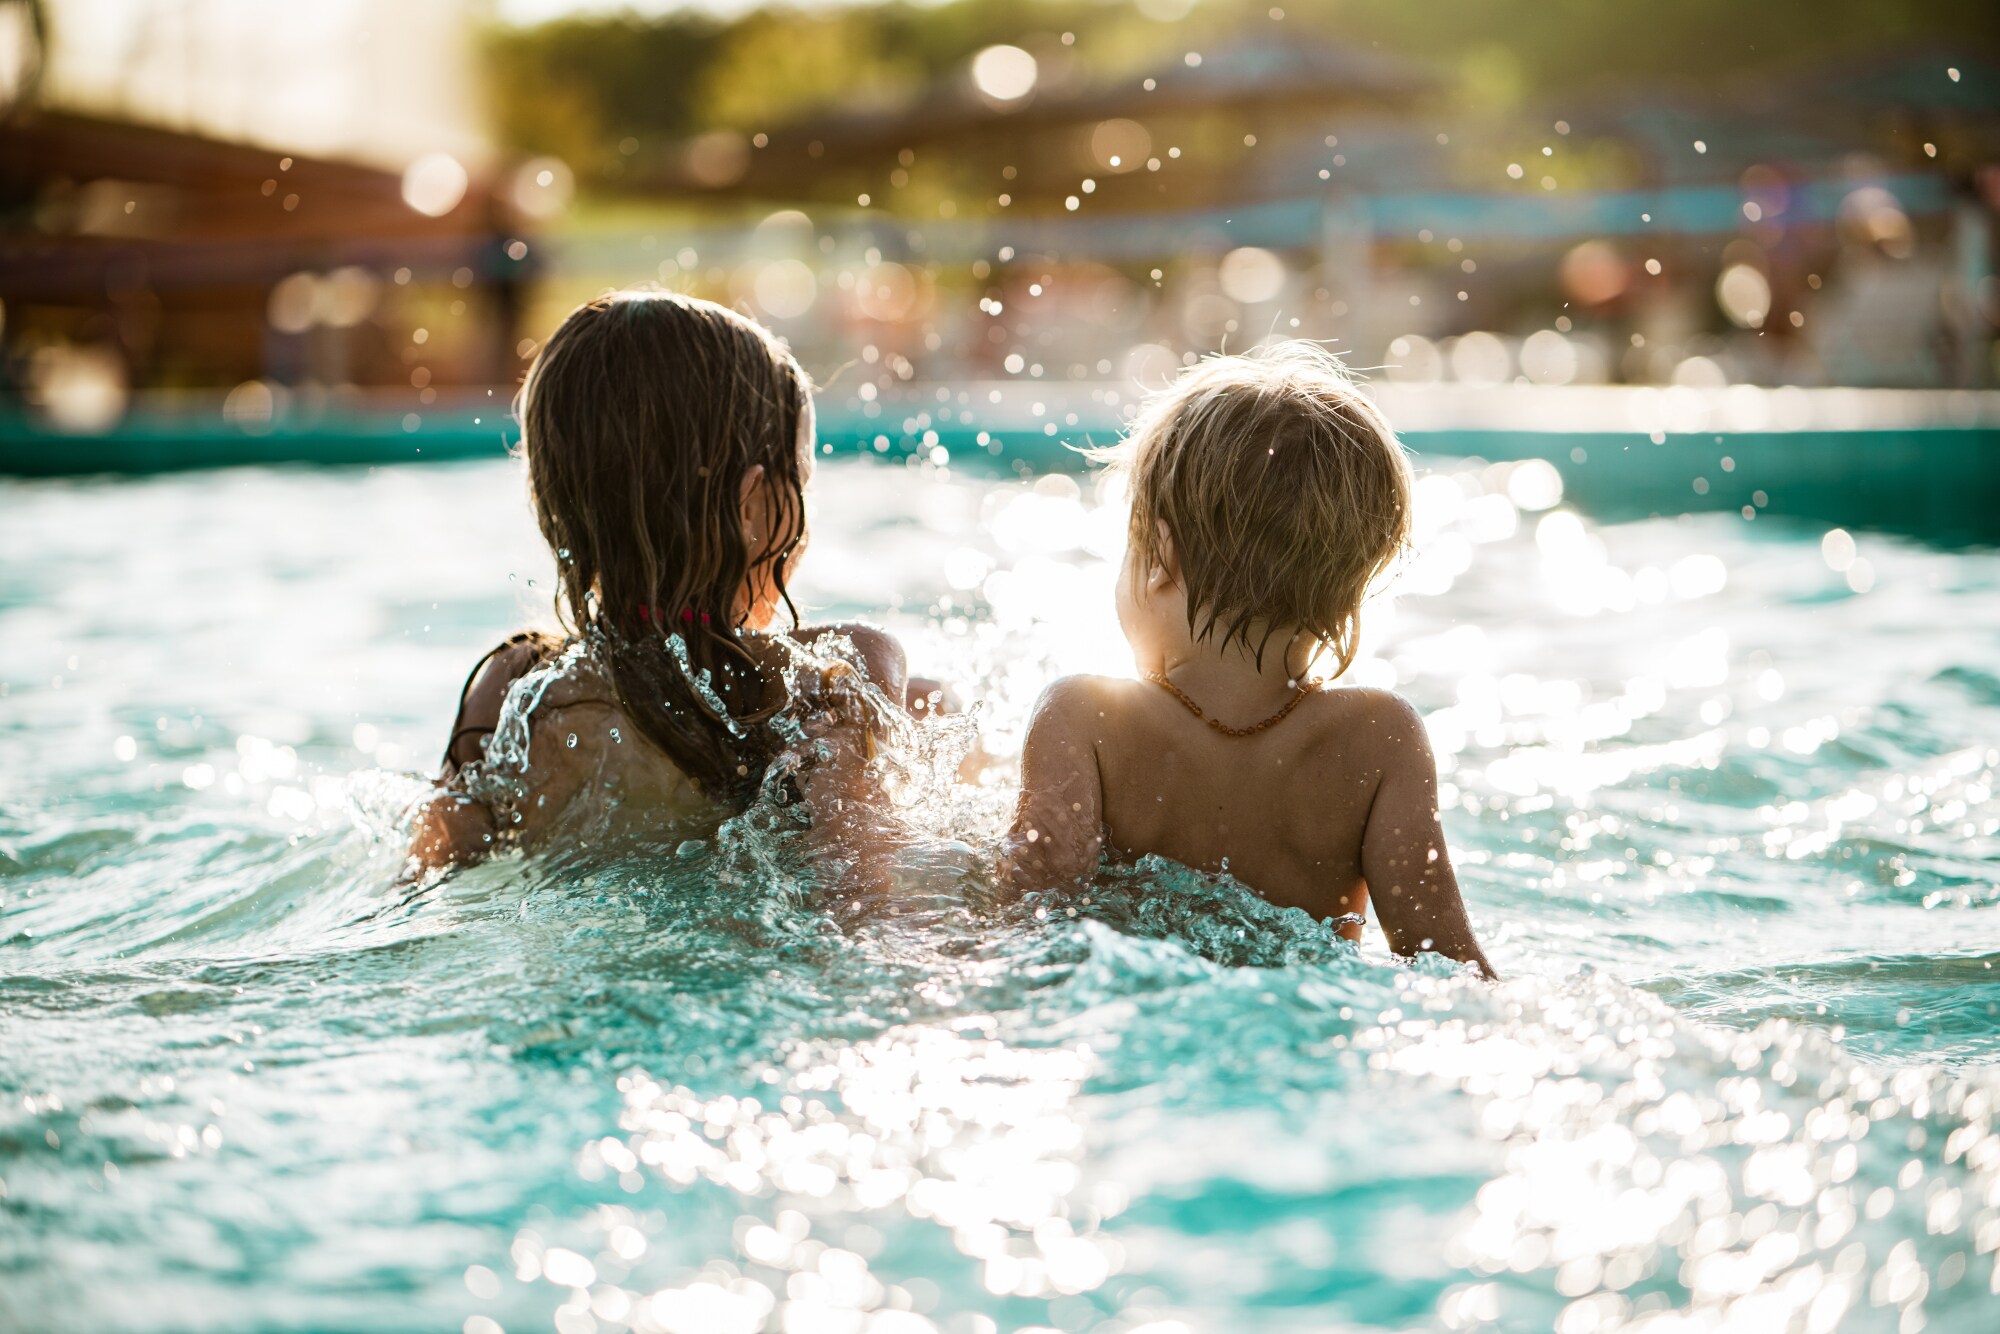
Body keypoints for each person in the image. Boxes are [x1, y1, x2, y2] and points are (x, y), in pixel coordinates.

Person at [999, 342, 1495, 978]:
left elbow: (1028, 926)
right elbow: (1448, 963)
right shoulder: (1381, 738)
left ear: (1160, 558)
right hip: (1309, 1016)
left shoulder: (1085, 717)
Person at [407, 291, 920, 874]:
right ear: (750, 507)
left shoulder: (513, 688)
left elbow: (430, 870)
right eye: (802, 482)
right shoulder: (837, 670)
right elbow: (861, 888)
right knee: (944, 705)